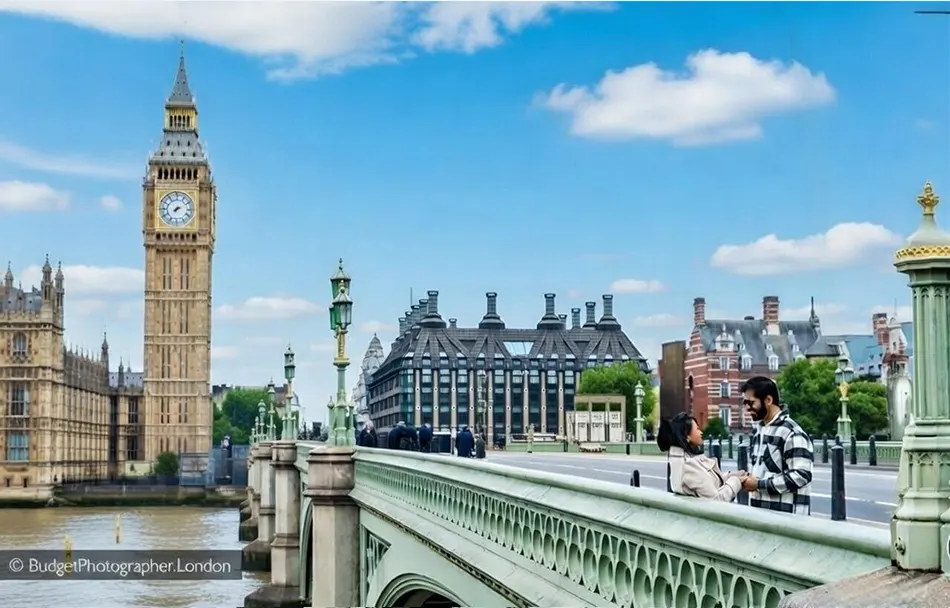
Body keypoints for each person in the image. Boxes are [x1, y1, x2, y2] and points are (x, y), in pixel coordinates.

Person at [740, 376, 814, 515]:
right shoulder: (759, 432)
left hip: (787, 520)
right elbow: (763, 473)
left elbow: (801, 475)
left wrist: (758, 485)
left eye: (751, 403)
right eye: (745, 403)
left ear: (768, 400)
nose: (747, 408)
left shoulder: (792, 433)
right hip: (762, 515)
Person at [657, 412, 745, 501]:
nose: (701, 432)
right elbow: (717, 500)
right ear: (687, 436)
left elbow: (708, 482)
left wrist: (731, 476)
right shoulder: (689, 466)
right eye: (697, 429)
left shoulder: (685, 460)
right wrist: (737, 481)